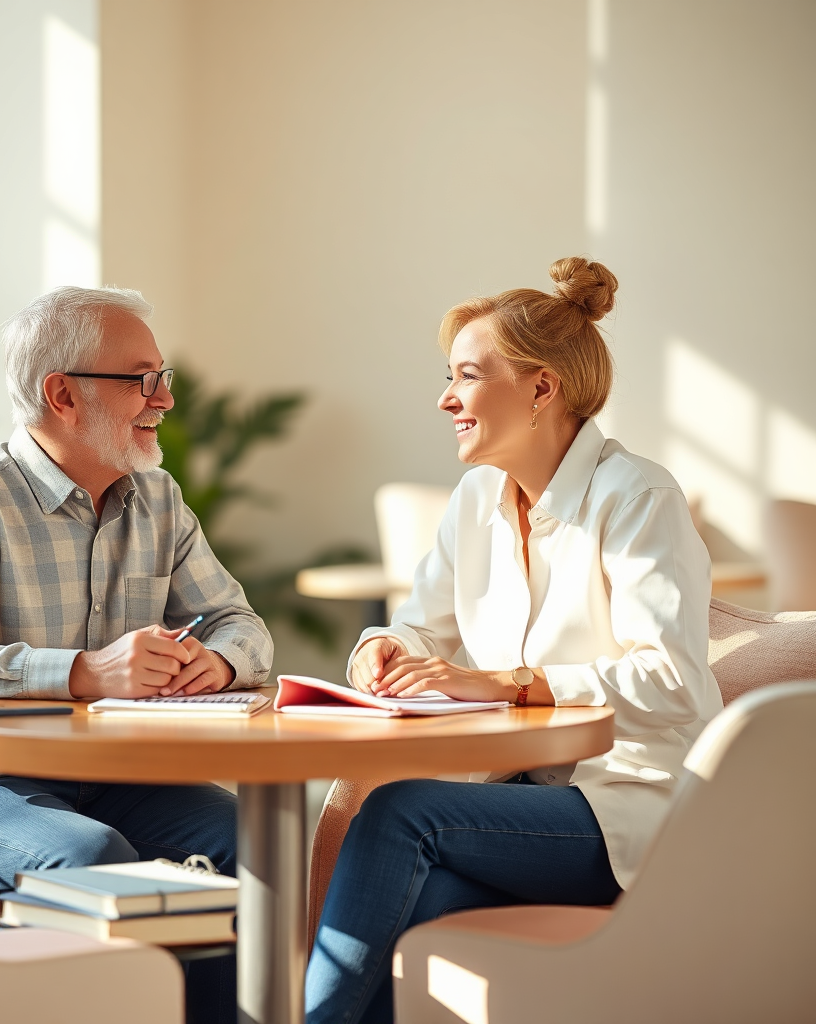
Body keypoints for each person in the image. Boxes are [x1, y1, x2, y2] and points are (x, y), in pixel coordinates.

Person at [305, 257, 723, 1024]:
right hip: (518, 800)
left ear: (541, 387)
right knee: (401, 913)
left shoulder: (638, 498)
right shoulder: (477, 499)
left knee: (399, 813)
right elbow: (416, 622)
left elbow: (673, 682)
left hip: (623, 806)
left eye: (466, 376)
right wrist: (381, 646)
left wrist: (510, 682)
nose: (445, 398)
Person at [0, 286, 273, 1024]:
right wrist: (84, 672)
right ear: (61, 393)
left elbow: (237, 622)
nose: (166, 398)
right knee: (92, 857)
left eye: (164, 376)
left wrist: (215, 663)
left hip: (113, 775)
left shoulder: (159, 500)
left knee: (254, 842)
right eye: (142, 379)